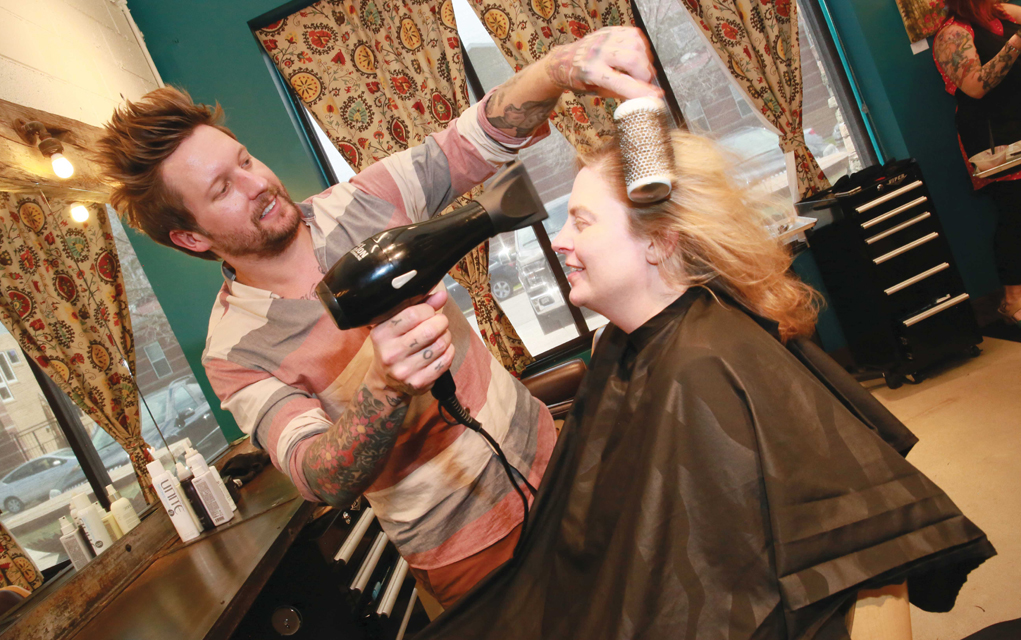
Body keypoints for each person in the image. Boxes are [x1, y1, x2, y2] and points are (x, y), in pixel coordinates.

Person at [94, 27, 662, 607]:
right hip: (466, 555)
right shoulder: (233, 353)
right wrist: (385, 387)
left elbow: (479, 136)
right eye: (223, 189)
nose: (257, 183)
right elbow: (319, 477)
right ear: (191, 237)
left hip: (555, 458)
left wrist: (562, 66)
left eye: (244, 160)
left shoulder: (363, 203)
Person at [412, 131, 995, 639]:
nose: (559, 239)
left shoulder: (706, 362)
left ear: (659, 240)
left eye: (581, 221)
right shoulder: (619, 343)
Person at [933, 0, 1021, 326]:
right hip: (994, 134)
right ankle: (1012, 299)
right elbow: (975, 86)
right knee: (1015, 212)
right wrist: (1017, 42)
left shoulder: (1002, 12)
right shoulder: (952, 34)